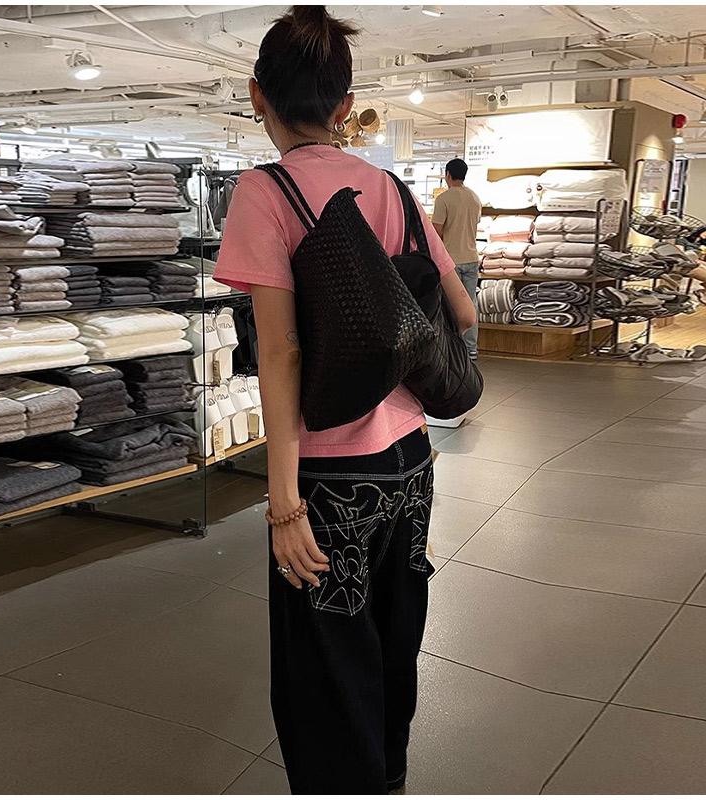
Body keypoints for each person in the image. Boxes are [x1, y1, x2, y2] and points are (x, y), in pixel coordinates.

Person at [213, 6, 476, 794]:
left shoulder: (265, 192)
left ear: (257, 95)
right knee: (394, 646)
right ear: (344, 104)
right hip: (410, 459)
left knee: (324, 672)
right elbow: (462, 312)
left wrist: (282, 503)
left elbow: (281, 352)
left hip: (328, 476)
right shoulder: (390, 187)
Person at [432, 158, 483, 359]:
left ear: (448, 175)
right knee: (470, 304)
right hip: (471, 258)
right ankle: (470, 349)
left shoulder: (443, 199)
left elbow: (436, 232)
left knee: (448, 305)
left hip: (450, 261)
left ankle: (451, 349)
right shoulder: (474, 198)